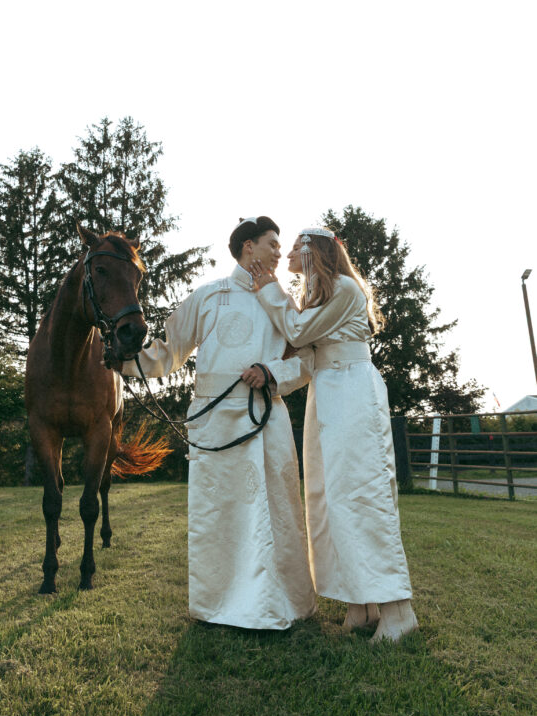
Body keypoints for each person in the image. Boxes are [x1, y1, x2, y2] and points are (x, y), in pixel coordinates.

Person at [118, 217, 316, 630]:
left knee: (275, 511)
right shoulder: (207, 297)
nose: (280, 252)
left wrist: (270, 371)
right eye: (272, 243)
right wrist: (123, 363)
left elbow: (307, 361)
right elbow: (168, 351)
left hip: (266, 419)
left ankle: (280, 603)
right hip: (215, 425)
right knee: (219, 514)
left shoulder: (284, 304)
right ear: (248, 247)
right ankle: (217, 605)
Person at [250, 227, 418, 643]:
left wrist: (271, 291)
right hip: (326, 395)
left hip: (353, 393)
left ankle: (399, 610)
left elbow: (298, 333)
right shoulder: (319, 298)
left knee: (364, 494)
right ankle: (359, 605)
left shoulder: (345, 289)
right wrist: (269, 376)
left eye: (293, 247)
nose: (286, 253)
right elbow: (307, 360)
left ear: (313, 251)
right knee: (328, 498)